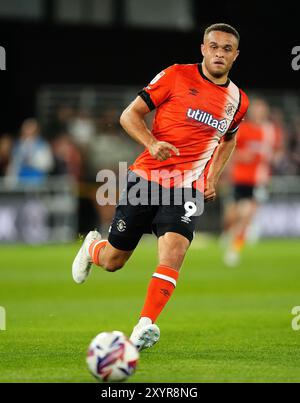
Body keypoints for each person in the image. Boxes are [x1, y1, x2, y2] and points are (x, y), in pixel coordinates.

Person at [72, 23, 249, 350]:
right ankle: (92, 249)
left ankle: (143, 326)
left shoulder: (238, 100)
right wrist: (152, 143)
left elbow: (230, 139)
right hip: (147, 180)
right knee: (114, 260)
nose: (219, 53)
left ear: (236, 55)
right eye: (214, 46)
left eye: (227, 49)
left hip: (187, 188)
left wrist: (211, 177)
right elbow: (129, 116)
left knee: (173, 252)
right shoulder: (176, 75)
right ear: (203, 48)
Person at [222, 98, 283, 266]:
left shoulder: (272, 131)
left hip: (259, 181)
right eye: (256, 109)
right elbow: (230, 150)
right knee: (232, 215)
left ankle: (234, 250)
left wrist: (275, 158)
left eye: (262, 109)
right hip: (239, 178)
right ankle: (228, 234)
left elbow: (277, 152)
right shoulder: (243, 129)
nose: (259, 112)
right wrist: (241, 156)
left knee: (248, 214)